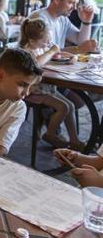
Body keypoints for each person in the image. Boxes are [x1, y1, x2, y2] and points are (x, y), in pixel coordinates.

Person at [20, 18, 83, 150]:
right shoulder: (27, 51)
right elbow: (37, 63)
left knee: (70, 105)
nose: (48, 43)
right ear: (32, 41)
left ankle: (74, 140)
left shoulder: (40, 47)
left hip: (46, 87)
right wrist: (51, 51)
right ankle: (50, 134)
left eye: (49, 40)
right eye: (45, 41)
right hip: (33, 91)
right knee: (63, 107)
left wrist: (71, 56)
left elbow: (57, 54)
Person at [30, 0, 97, 53]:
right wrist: (78, 49)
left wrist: (86, 21)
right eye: (71, 3)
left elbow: (81, 42)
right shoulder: (39, 19)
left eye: (76, 4)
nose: (75, 8)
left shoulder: (63, 19)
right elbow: (45, 53)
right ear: (57, 0)